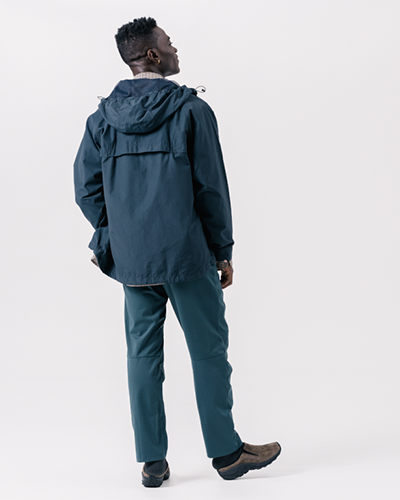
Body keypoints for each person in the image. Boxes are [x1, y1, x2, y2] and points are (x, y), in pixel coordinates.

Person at [73, 16, 281, 488]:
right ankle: (227, 454)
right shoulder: (192, 111)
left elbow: (86, 189)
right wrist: (222, 250)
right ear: (152, 54)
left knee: (142, 357)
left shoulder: (100, 119)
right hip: (188, 256)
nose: (175, 48)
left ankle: (152, 463)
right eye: (168, 42)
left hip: (133, 261)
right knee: (208, 352)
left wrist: (116, 236)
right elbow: (211, 188)